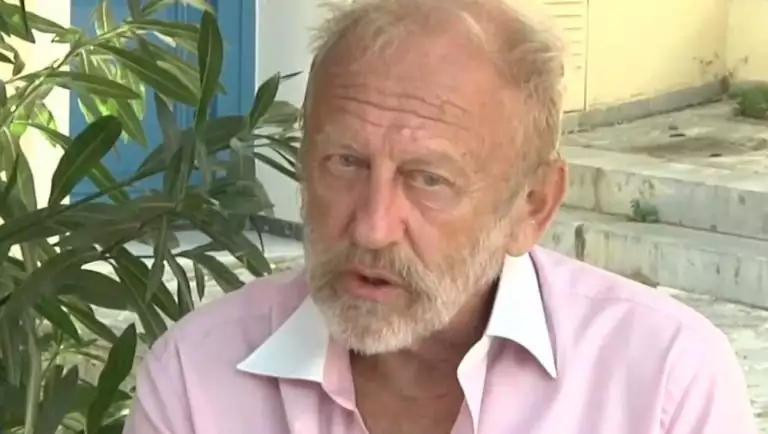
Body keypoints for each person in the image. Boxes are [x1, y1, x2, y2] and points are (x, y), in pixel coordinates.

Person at [123, 0, 758, 432]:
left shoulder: (663, 383)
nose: (372, 227)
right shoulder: (196, 382)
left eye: (429, 180)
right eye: (345, 163)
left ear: (532, 206)